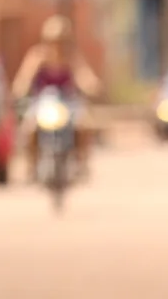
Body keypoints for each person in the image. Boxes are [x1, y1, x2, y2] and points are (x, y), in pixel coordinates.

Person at [12, 15, 101, 182]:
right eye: (53, 40)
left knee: (85, 125)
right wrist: (20, 88)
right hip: (43, 102)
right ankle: (31, 164)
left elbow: (84, 75)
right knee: (28, 129)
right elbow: (24, 77)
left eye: (60, 40)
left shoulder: (72, 56)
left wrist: (91, 85)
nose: (57, 45)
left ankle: (82, 162)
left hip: (68, 102)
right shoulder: (37, 56)